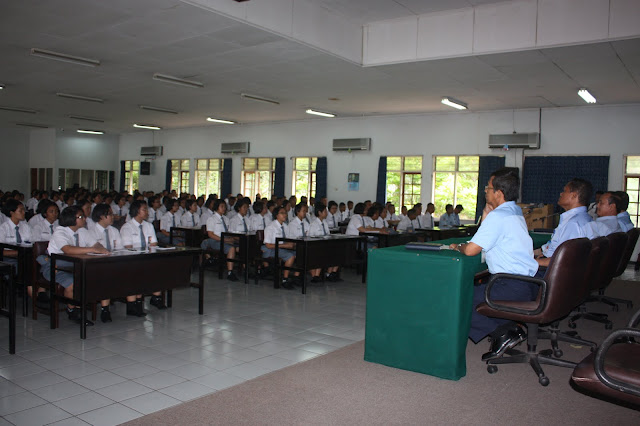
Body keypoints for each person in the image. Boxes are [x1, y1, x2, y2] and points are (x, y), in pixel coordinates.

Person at [449, 168, 538, 361]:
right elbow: (488, 239)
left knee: (454, 299)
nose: (485, 191)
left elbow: (472, 249)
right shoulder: (514, 212)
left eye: (488, 188)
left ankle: (502, 332)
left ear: (499, 193)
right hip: (527, 285)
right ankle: (511, 328)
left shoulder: (499, 217)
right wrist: (486, 215)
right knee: (473, 296)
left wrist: (458, 247)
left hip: (509, 286)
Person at [45, 205, 110, 325]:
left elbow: (96, 244)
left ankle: (98, 308)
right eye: (81, 216)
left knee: (100, 277)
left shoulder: (82, 231)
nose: (85, 218)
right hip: (56, 267)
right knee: (74, 284)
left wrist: (101, 249)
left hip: (76, 266)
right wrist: (92, 250)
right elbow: (68, 250)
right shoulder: (60, 231)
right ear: (71, 219)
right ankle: (73, 310)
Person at [534, 178, 593, 268]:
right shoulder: (584, 218)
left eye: (564, 191)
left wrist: (532, 262)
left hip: (553, 270)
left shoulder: (573, 224)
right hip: (550, 261)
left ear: (574, 196)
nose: (561, 194)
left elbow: (563, 260)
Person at [120, 200, 166, 311]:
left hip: (146, 257)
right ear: (136, 211)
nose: (147, 212)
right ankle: (134, 303)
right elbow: (128, 248)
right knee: (138, 272)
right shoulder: (127, 227)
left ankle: (156, 297)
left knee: (161, 268)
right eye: (144, 209)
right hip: (131, 260)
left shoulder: (149, 226)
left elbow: (153, 244)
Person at [201, 199, 239, 282]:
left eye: (225, 206)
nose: (224, 208)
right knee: (231, 248)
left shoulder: (226, 219)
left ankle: (241, 269)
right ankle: (230, 272)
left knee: (239, 247)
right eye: (222, 206)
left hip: (225, 240)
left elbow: (229, 231)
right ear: (216, 207)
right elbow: (210, 234)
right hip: (215, 240)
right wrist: (224, 240)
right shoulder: (211, 219)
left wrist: (232, 238)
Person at [261, 206, 298, 290]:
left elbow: (288, 239)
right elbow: (268, 245)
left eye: (285, 213)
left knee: (300, 253)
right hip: (271, 250)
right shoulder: (271, 227)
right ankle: (285, 279)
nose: (285, 215)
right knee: (290, 256)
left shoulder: (285, 226)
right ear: (276, 215)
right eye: (282, 213)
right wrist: (285, 245)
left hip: (281, 249)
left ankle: (296, 277)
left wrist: (291, 244)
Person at [308, 202, 340, 282]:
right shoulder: (314, 224)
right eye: (325, 211)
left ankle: (330, 273)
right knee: (321, 254)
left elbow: (328, 234)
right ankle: (316, 276)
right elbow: (310, 237)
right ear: (319, 213)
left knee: (338, 253)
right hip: (315, 246)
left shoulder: (324, 223)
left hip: (324, 245)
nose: (326, 213)